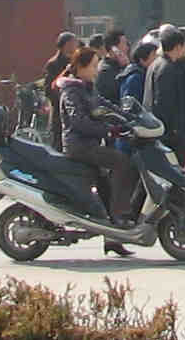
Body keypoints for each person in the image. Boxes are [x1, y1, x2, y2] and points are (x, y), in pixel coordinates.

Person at [56, 43, 140, 245]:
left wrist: (130, 118)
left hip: (90, 144)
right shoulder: (71, 91)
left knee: (106, 186)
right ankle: (120, 214)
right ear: (81, 67)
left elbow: (105, 104)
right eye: (93, 66)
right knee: (122, 162)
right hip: (79, 146)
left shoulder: (87, 88)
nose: (96, 70)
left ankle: (112, 237)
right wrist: (108, 130)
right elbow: (78, 122)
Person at [148, 27, 185, 164]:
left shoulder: (158, 63)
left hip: (166, 129)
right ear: (178, 46)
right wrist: (175, 129)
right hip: (170, 132)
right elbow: (164, 103)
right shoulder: (167, 68)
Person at [36, 31, 79, 144]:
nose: (76, 46)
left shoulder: (76, 62)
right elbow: (49, 90)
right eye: (74, 43)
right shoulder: (53, 64)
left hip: (75, 111)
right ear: (66, 44)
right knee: (58, 143)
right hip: (59, 112)